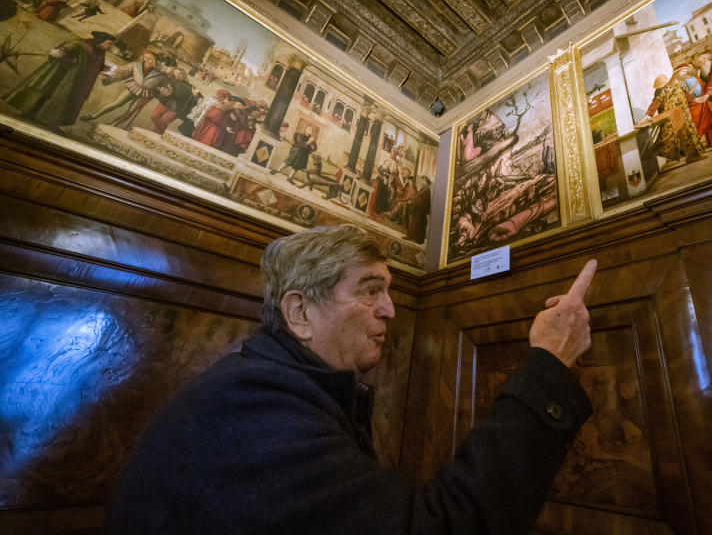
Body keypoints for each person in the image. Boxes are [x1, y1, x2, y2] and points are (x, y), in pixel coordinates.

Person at [106, 226, 596, 534]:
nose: (390, 309)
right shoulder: (250, 404)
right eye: (370, 290)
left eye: (388, 291)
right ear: (300, 312)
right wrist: (548, 362)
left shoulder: (271, 385)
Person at [3, 31, 115, 133]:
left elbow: (97, 65)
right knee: (55, 96)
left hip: (80, 82)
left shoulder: (100, 52)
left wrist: (108, 70)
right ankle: (32, 115)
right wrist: (69, 59)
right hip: (64, 77)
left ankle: (52, 123)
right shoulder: (80, 44)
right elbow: (56, 52)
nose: (110, 47)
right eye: (109, 43)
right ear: (101, 41)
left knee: (67, 101)